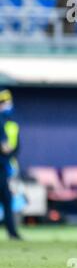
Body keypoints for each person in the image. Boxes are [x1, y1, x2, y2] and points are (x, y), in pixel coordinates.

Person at [0, 89, 21, 240]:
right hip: (2, 166)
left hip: (4, 166)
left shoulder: (10, 123)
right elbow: (5, 146)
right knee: (7, 199)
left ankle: (12, 232)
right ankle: (12, 233)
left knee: (7, 199)